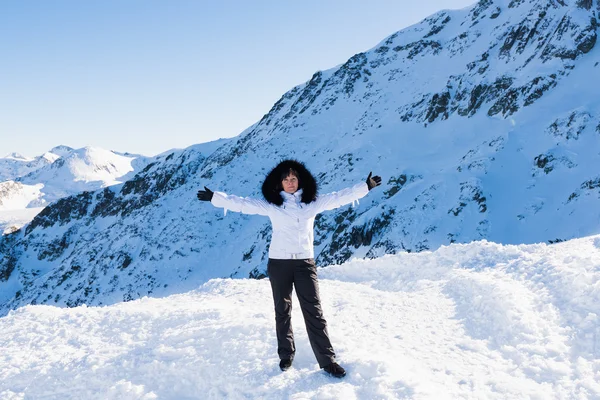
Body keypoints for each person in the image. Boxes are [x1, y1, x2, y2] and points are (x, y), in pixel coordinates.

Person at [197, 159, 382, 378]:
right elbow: (243, 204)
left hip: (305, 263)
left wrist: (365, 186)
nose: (290, 182)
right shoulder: (272, 205)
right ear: (279, 183)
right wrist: (216, 198)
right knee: (282, 311)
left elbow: (338, 198)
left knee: (314, 312)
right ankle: (286, 356)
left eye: (293, 178)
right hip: (279, 263)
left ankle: (328, 361)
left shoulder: (312, 203)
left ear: (300, 181)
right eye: (286, 179)